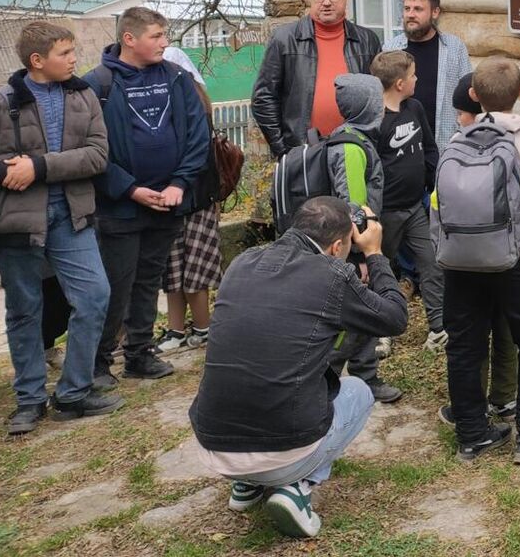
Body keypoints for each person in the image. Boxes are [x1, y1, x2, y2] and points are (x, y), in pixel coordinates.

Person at [190, 197, 407, 540]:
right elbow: (395, 318)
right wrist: (375, 253)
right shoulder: (332, 274)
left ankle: (247, 485)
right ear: (337, 246)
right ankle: (298, 488)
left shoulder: (242, 262)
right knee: (359, 392)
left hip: (214, 443)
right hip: (286, 444)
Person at [0, 21, 119, 434]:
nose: (73, 60)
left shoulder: (84, 97)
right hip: (15, 225)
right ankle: (29, 400)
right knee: (24, 310)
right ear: (37, 61)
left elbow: (98, 155)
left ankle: (73, 393)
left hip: (73, 217)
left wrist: (39, 167)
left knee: (94, 297)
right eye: (65, 53)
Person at [441, 57, 520, 464]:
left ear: (474, 96)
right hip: (517, 259)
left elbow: (438, 203)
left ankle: (472, 436)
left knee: (464, 345)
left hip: (461, 262)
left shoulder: (460, 136)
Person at [85, 7, 209, 388]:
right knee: (116, 285)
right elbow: (90, 149)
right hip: (121, 206)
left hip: (169, 202)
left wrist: (179, 184)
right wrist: (130, 189)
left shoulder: (175, 78)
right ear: (130, 39)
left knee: (149, 281)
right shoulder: (97, 84)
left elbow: (197, 135)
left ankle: (139, 354)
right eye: (156, 36)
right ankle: (99, 364)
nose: (165, 43)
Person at [436, 73, 519, 426]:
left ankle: (470, 405)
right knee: (506, 329)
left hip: (461, 259)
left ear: (475, 107)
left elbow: (436, 206)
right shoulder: (519, 139)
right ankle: (505, 397)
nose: (457, 119)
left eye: (460, 111)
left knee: (469, 334)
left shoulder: (455, 147)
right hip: (506, 254)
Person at [323, 73, 401, 404]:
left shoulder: (354, 139)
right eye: (378, 101)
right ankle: (330, 375)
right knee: (355, 315)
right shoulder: (351, 148)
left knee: (363, 313)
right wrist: (361, 255)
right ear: (369, 107)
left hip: (353, 247)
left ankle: (363, 375)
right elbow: (353, 205)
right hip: (354, 248)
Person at [252, 0, 382, 157]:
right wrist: (284, 151)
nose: (326, 3)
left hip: (356, 151)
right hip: (304, 154)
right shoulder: (284, 39)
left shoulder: (367, 40)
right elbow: (263, 99)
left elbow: (381, 96)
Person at [370, 50, 445, 350]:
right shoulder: (376, 121)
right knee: (382, 269)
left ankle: (439, 328)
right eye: (413, 75)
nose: (417, 78)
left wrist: (430, 180)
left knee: (431, 263)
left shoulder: (414, 108)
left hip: (416, 206)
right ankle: (380, 332)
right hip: (386, 212)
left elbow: (429, 148)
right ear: (400, 83)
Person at [155, 48, 223, 353]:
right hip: (174, 199)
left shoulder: (194, 103)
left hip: (197, 198)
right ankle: (176, 329)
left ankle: (202, 327)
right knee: (174, 267)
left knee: (195, 268)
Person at [383, 0, 471, 149]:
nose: (410, 14)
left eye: (418, 9)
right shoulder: (391, 49)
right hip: (402, 147)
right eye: (407, 8)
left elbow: (468, 97)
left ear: (435, 12)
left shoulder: (454, 47)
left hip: (445, 144)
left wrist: (460, 135)